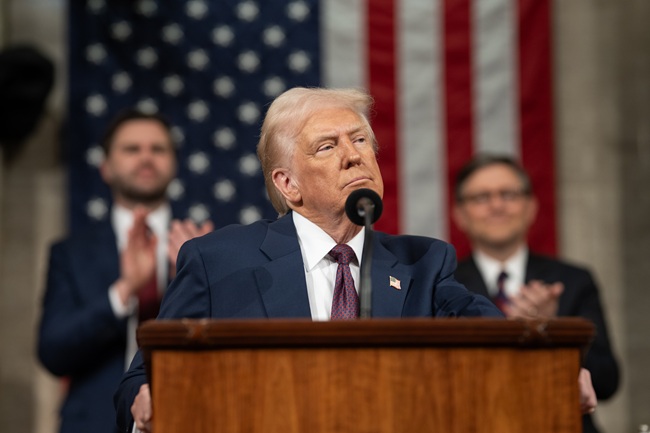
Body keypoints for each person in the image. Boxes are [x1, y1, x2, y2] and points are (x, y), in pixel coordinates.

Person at [113, 88, 596, 433]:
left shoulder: (424, 263)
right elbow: (142, 377)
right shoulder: (219, 260)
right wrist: (150, 400)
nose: (353, 156)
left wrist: (545, 367)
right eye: (328, 146)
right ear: (287, 184)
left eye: (360, 140)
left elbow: (486, 328)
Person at [37, 109, 214, 433]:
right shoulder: (71, 254)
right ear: (106, 167)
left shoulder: (204, 244)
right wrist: (125, 290)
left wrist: (197, 278)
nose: (146, 158)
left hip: (192, 415)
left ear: (174, 164)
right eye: (132, 149)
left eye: (157, 149)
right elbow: (53, 352)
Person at [452, 154, 619, 433]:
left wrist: (551, 330)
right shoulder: (444, 283)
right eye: (481, 198)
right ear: (459, 214)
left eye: (508, 194)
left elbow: (607, 381)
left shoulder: (573, 281)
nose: (497, 206)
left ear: (531, 207)